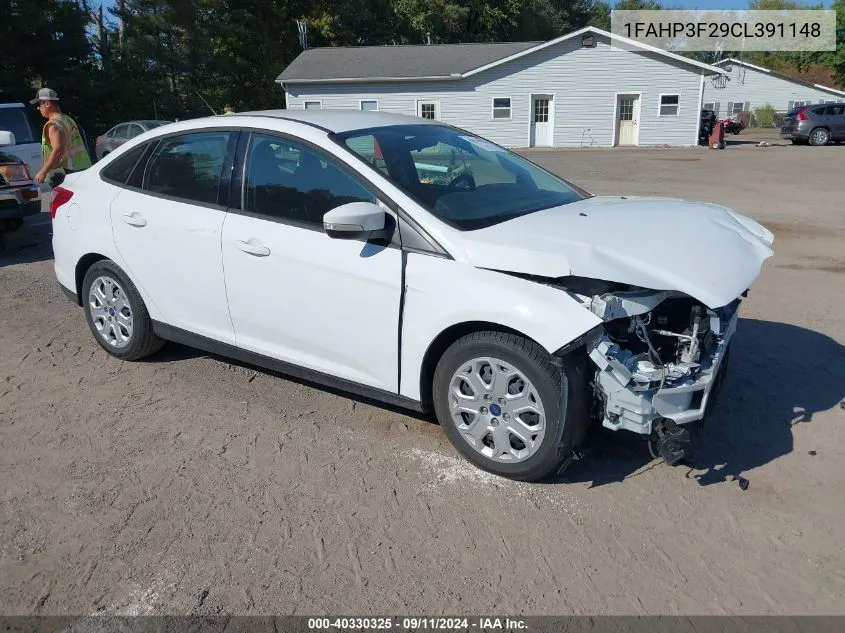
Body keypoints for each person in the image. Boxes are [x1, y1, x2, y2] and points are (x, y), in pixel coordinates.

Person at [30, 87, 92, 185]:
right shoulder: (67, 119)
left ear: (47, 103)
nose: (38, 108)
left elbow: (58, 149)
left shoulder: (54, 124)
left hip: (67, 173)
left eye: (39, 104)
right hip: (81, 168)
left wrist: (43, 172)